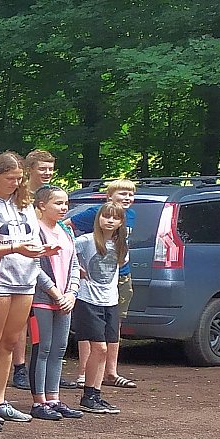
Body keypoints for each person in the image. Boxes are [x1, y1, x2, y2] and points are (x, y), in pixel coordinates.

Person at [0, 153, 50, 424]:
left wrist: (44, 250)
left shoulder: (25, 204)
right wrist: (14, 248)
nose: (16, 183)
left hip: (26, 279)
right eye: (10, 178)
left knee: (10, 342)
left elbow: (33, 239)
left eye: (19, 178)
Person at [29, 186, 81, 420]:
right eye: (58, 203)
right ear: (42, 205)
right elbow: (34, 267)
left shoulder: (66, 231)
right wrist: (55, 293)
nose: (64, 208)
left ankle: (53, 398)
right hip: (42, 300)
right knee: (43, 348)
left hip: (65, 300)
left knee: (59, 350)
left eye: (65, 203)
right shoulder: (34, 230)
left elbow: (74, 264)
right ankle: (39, 402)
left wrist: (71, 293)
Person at [73, 204, 128, 414]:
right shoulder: (86, 241)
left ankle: (96, 393)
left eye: (115, 218)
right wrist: (76, 268)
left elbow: (119, 267)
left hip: (110, 301)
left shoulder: (121, 245)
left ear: (121, 222)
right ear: (98, 219)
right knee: (100, 348)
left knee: (106, 349)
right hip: (88, 300)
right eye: (106, 216)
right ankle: (88, 395)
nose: (110, 221)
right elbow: (64, 252)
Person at [14, 150, 61, 388]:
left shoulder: (51, 195)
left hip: (46, 266)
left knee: (37, 322)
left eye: (50, 168)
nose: (47, 173)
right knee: (21, 322)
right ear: (30, 169)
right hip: (21, 266)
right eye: (42, 168)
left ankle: (41, 370)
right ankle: (19, 368)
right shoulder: (20, 195)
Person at [99, 179, 139, 389]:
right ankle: (85, 374)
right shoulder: (97, 213)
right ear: (109, 196)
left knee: (116, 323)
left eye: (130, 194)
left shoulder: (131, 215)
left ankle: (111, 372)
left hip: (123, 275)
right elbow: (67, 226)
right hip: (100, 278)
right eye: (122, 194)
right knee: (96, 325)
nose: (127, 198)